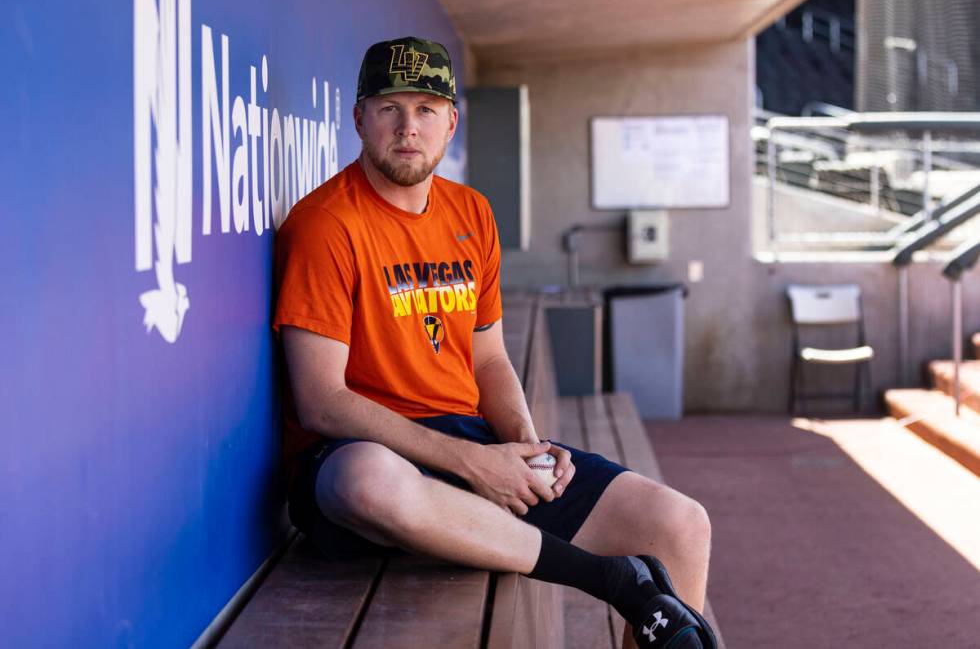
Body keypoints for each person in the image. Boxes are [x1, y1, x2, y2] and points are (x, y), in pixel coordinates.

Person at [273, 36, 716, 649]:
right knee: (365, 479)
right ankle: (609, 580)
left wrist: (523, 447)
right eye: (389, 108)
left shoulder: (472, 212)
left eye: (426, 109)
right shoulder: (325, 223)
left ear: (450, 121)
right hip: (364, 453)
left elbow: (488, 357)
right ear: (358, 119)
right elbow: (321, 401)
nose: (408, 127)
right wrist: (473, 465)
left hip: (469, 441)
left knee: (681, 524)